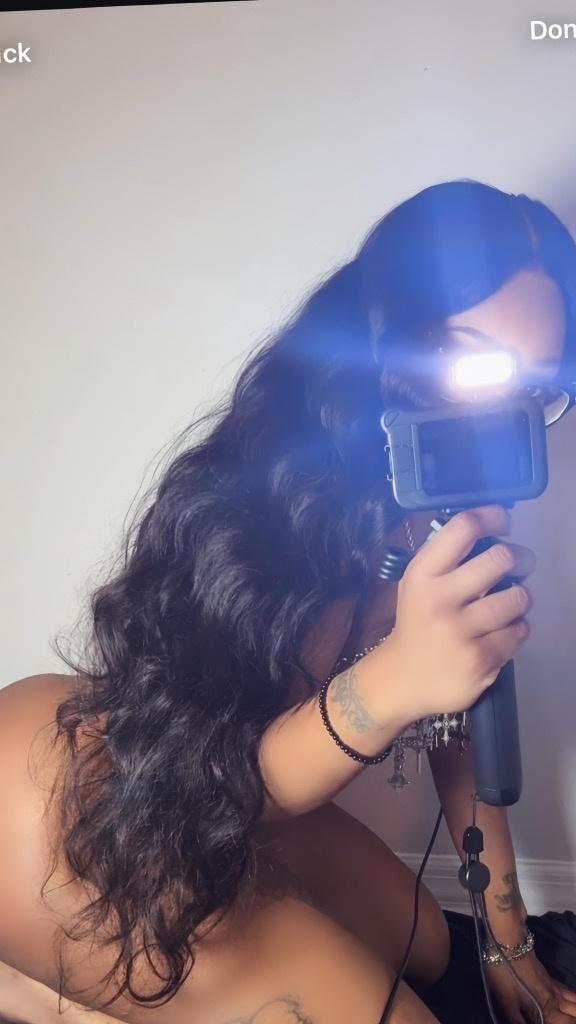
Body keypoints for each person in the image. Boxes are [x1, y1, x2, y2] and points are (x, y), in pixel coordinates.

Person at [1, 179, 576, 1024]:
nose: (501, 412)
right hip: (93, 815)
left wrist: (507, 938)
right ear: (390, 343)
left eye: (533, 387)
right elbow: (196, 789)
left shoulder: (455, 508)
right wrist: (395, 679)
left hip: (251, 819)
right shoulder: (275, 496)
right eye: (472, 364)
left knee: (434, 949)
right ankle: (41, 986)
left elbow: (460, 732)